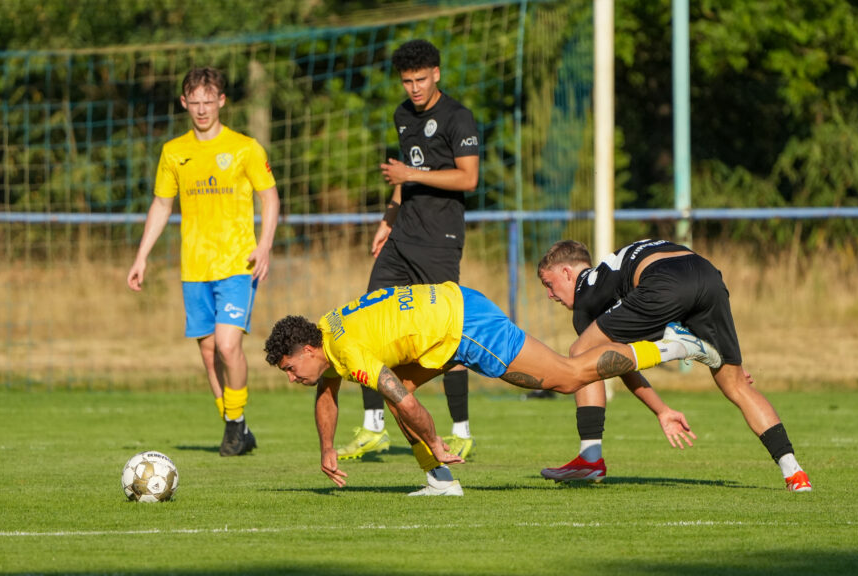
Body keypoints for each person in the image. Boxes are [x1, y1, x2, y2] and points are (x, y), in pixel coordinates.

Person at [263, 281, 716, 496]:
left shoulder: (346, 351)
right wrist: (326, 447)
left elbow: (404, 400)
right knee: (396, 387)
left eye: (288, 368)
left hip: (467, 326)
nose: (291, 378)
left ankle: (671, 347)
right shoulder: (326, 333)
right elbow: (327, 392)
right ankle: (440, 482)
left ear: (306, 349)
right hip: (450, 319)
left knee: (567, 376)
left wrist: (437, 440)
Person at [537, 239, 813, 492]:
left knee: (579, 353)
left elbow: (606, 365)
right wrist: (662, 410)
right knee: (735, 383)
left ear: (567, 273)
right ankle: (795, 474)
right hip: (706, 274)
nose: (550, 295)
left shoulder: (587, 291)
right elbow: (619, 363)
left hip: (664, 279)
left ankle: (590, 458)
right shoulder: (612, 277)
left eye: (548, 284)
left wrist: (660, 407)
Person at [336, 39, 480, 461]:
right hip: (402, 239)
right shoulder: (402, 115)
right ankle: (372, 427)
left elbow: (468, 178)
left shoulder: (458, 117)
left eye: (420, 79)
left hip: (440, 241)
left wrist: (410, 173)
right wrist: (388, 219)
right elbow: (403, 180)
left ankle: (461, 430)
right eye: (407, 81)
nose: (414, 88)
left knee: (445, 333)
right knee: (365, 321)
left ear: (436, 73)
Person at [127, 66, 280, 457]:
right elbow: (162, 205)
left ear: (221, 101)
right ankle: (237, 427)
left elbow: (270, 198)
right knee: (209, 352)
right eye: (193, 102)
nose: (201, 109)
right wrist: (141, 257)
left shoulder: (245, 147)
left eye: (208, 101)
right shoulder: (174, 152)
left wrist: (264, 246)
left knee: (229, 346)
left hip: (236, 264)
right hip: (194, 267)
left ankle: (234, 424)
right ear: (184, 103)